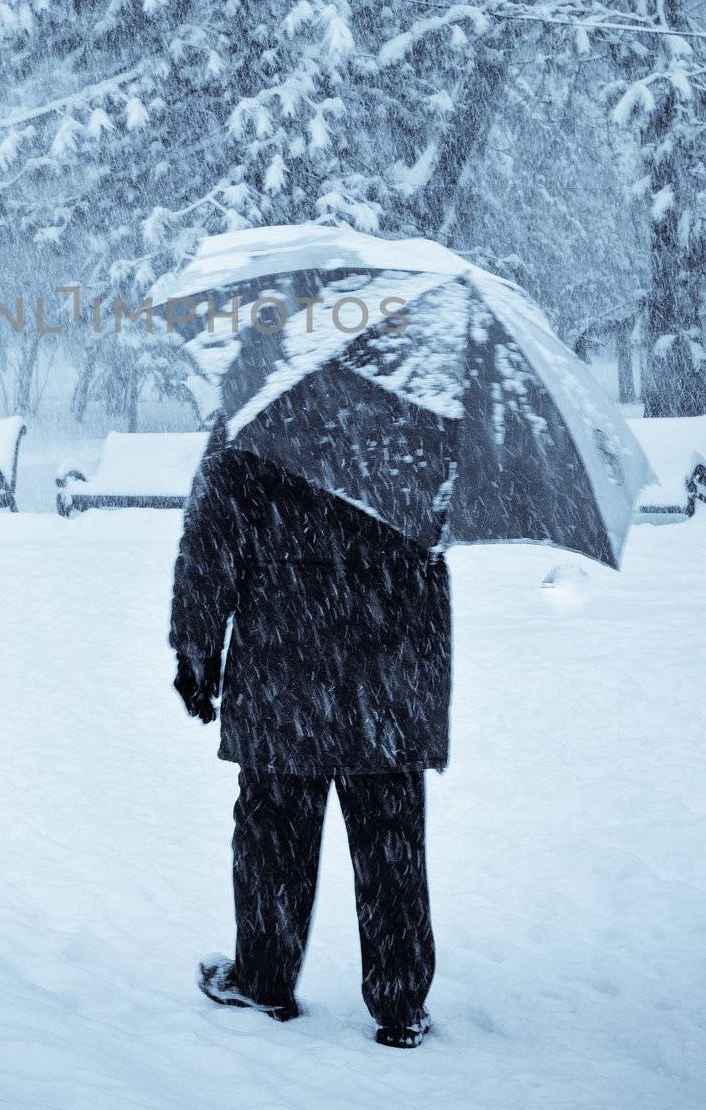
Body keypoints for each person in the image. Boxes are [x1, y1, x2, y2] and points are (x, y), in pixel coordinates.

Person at [170, 420, 451, 1047]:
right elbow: (440, 537)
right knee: (390, 844)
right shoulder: (417, 417)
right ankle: (401, 1003)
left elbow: (211, 545)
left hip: (285, 668)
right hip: (388, 669)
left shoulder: (260, 410)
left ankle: (265, 980)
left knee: (274, 835)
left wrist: (195, 650)